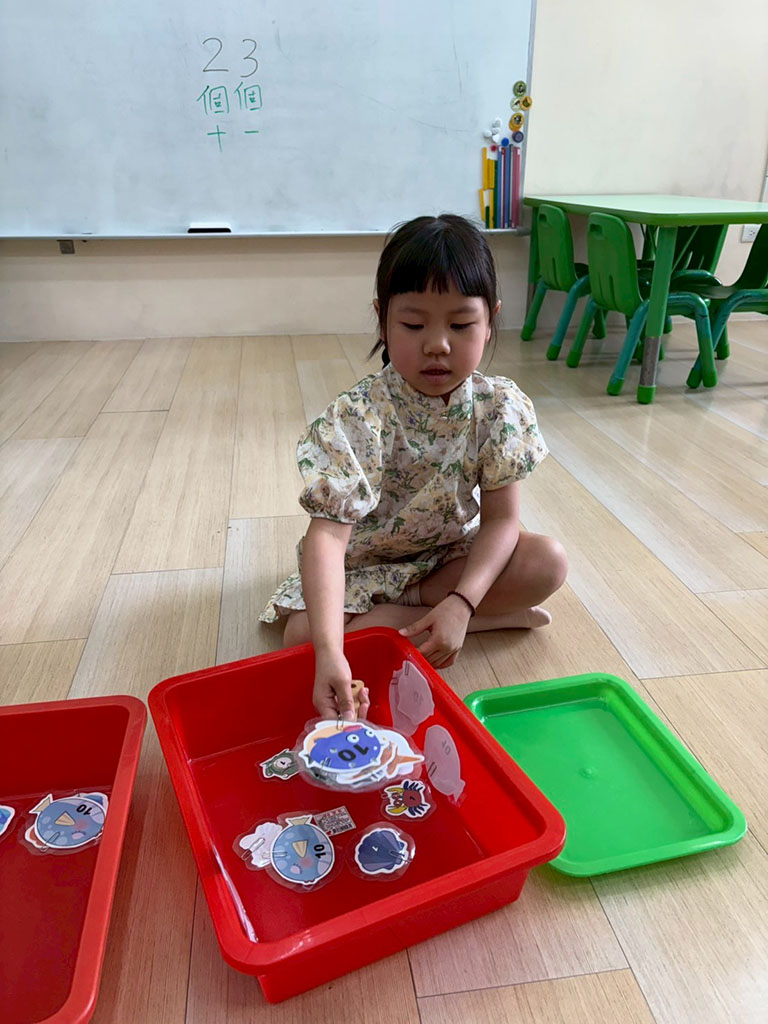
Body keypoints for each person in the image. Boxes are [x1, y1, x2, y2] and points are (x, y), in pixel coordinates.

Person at [260, 214, 568, 721]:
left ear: (491, 319)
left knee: (547, 561)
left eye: (460, 325)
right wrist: (331, 654)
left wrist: (462, 601)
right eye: (413, 324)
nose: (437, 344)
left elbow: (502, 521)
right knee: (300, 637)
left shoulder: (498, 406)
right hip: (366, 566)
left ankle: (445, 617)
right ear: (382, 319)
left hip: (445, 562)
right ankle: (480, 621)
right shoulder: (359, 417)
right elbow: (328, 538)